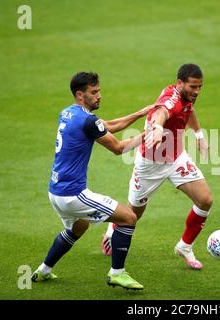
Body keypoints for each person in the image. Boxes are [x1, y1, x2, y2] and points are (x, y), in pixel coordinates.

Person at [32, 71, 153, 290]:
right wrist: (146, 136)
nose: (99, 96)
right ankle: (117, 273)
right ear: (80, 95)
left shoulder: (68, 113)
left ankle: (44, 270)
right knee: (128, 217)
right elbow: (118, 148)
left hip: (55, 192)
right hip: (73, 195)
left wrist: (140, 113)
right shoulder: (87, 121)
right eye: (94, 92)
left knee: (78, 228)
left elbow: (105, 125)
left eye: (99, 91)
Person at [103, 64, 213, 269]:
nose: (197, 91)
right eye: (193, 86)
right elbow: (161, 112)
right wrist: (159, 127)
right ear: (180, 83)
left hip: (177, 158)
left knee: (205, 200)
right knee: (133, 215)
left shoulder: (187, 97)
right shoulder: (171, 99)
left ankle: (185, 246)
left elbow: (190, 110)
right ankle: (113, 226)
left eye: (200, 87)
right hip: (150, 165)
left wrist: (199, 135)